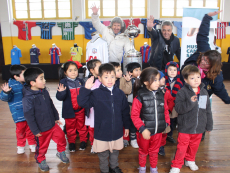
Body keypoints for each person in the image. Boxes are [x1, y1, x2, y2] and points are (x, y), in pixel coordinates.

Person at [181, 11, 230, 140]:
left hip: (202, 93)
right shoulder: (204, 52)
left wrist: (228, 100)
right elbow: (202, 35)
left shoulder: (216, 76)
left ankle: (200, 131)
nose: (202, 61)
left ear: (212, 66)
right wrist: (207, 17)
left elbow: (220, 90)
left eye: (206, 62)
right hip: (186, 86)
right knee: (184, 107)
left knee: (201, 110)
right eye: (203, 58)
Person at [77, 63, 131, 173]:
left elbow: (125, 111)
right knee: (103, 154)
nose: (110, 79)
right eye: (106, 77)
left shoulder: (120, 93)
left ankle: (114, 166)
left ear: (116, 77)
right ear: (100, 78)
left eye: (112, 76)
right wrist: (85, 89)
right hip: (102, 131)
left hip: (117, 130)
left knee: (115, 151)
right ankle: (104, 169)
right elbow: (82, 103)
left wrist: (127, 126)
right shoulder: (96, 93)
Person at [22, 67, 69, 172]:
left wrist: (56, 117)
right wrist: (35, 130)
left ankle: (61, 152)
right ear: (32, 83)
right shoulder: (28, 99)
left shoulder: (44, 92)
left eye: (44, 78)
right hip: (41, 129)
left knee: (61, 137)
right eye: (41, 79)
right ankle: (40, 159)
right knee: (42, 147)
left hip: (52, 124)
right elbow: (29, 116)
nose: (45, 81)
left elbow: (51, 105)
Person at [169, 65, 213, 173]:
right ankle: (177, 165)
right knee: (181, 147)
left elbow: (206, 110)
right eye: (192, 78)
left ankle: (190, 160)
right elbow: (179, 109)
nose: (196, 80)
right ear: (186, 80)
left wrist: (209, 125)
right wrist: (191, 102)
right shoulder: (182, 92)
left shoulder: (203, 92)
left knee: (194, 146)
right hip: (185, 127)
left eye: (198, 77)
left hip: (199, 127)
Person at [131, 67, 170, 173]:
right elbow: (134, 115)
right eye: (155, 80)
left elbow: (165, 110)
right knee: (143, 151)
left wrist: (166, 123)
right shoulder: (139, 97)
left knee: (154, 151)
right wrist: (142, 129)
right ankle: (142, 168)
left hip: (157, 132)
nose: (159, 82)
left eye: (159, 79)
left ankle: (153, 168)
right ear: (146, 82)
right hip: (144, 133)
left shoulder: (161, 94)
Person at [0, 65, 36, 154]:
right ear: (16, 77)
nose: (27, 75)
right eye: (24, 74)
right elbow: (4, 98)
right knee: (20, 131)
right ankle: (21, 146)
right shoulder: (10, 85)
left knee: (31, 129)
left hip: (29, 112)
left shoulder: (27, 83)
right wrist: (6, 92)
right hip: (19, 114)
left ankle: (32, 144)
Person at [56, 61, 88, 152]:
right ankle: (71, 142)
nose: (73, 72)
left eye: (75, 70)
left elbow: (85, 94)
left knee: (82, 126)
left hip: (80, 110)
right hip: (69, 111)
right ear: (65, 72)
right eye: (70, 70)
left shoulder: (81, 81)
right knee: (70, 128)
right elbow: (59, 98)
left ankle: (83, 141)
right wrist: (61, 92)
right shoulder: (63, 82)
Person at [110, 62, 132, 147]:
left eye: (120, 69)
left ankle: (125, 138)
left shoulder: (123, 79)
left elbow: (128, 91)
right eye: (118, 70)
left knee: (124, 120)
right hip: (112, 106)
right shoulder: (109, 81)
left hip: (122, 104)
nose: (121, 72)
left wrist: (128, 81)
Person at [85, 59, 102, 153]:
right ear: (92, 70)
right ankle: (93, 145)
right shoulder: (89, 81)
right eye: (99, 67)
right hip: (92, 110)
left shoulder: (104, 79)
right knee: (92, 128)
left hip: (102, 109)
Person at [164, 61, 183, 143]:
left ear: (178, 71)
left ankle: (170, 135)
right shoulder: (163, 81)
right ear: (166, 70)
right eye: (170, 69)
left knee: (172, 120)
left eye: (174, 70)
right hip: (165, 105)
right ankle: (164, 134)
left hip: (175, 105)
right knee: (165, 120)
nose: (172, 72)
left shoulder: (179, 82)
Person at [158, 71, 174, 156]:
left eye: (164, 77)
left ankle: (161, 146)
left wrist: (169, 110)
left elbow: (171, 101)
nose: (164, 79)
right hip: (156, 116)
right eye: (161, 78)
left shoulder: (167, 90)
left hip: (165, 116)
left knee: (164, 133)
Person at [126, 62, 142, 148]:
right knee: (132, 122)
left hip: (139, 105)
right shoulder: (127, 80)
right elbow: (128, 92)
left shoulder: (141, 79)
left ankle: (137, 137)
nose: (139, 71)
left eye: (139, 69)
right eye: (136, 70)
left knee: (138, 122)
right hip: (131, 105)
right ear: (130, 72)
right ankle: (132, 139)